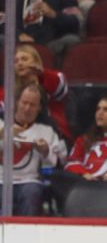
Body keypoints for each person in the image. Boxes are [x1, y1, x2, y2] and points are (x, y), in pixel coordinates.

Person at [0, 83, 67, 215]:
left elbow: (52, 164)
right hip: (1, 179)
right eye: (24, 102)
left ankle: (26, 235)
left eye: (32, 105)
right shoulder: (1, 125)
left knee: (32, 192)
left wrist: (45, 150)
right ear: (16, 103)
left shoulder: (46, 131)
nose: (27, 108)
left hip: (28, 181)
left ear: (39, 108)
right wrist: (3, 133)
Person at [0, 44, 70, 140]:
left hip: (53, 136)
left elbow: (61, 87)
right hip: (18, 137)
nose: (20, 63)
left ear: (36, 62)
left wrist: (41, 72)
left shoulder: (49, 81)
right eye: (16, 61)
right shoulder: (8, 91)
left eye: (24, 59)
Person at [10, 0, 81, 58]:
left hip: (51, 43)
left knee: (71, 40)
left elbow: (75, 22)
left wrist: (54, 14)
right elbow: (3, 22)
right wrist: (19, 34)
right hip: (20, 45)